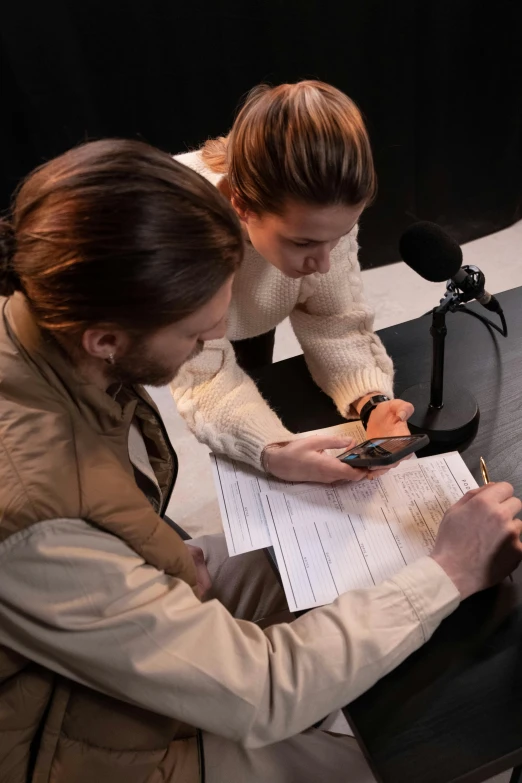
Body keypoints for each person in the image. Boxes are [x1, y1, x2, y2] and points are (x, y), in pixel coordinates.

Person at [0, 139, 521, 783]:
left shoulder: (49, 335)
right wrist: (451, 570)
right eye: (195, 334)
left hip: (110, 602)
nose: (216, 338)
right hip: (72, 737)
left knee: (308, 569)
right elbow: (266, 690)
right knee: (409, 758)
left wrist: (153, 548)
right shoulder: (35, 515)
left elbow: (95, 501)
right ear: (106, 339)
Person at [171, 80, 414, 484]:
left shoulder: (320, 214)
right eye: (304, 242)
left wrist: (371, 400)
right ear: (240, 203)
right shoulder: (173, 232)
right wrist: (274, 451)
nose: (323, 263)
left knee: (254, 366)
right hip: (119, 327)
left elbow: (334, 323)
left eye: (337, 237)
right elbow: (205, 376)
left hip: (239, 306)